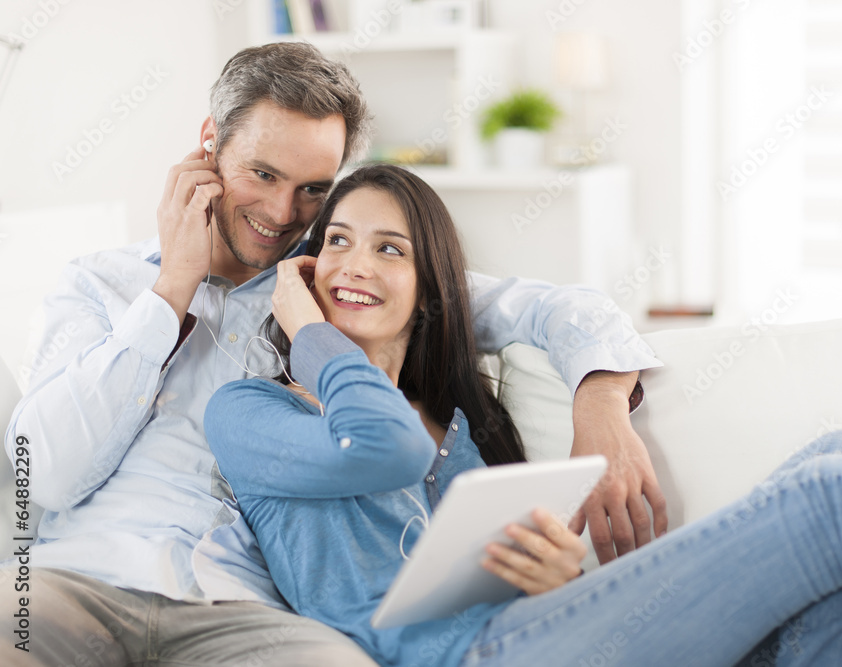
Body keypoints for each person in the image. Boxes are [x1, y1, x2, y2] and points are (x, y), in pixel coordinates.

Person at [1, 43, 664, 665]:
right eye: (262, 174)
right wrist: (172, 286)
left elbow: (560, 308)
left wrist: (603, 401)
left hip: (237, 609)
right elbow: (47, 473)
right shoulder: (99, 283)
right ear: (209, 146)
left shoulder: (336, 285)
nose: (283, 213)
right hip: (72, 584)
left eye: (313, 188)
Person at [206, 163, 842, 667]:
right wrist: (305, 328)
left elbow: (482, 579)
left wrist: (548, 579)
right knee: (827, 499)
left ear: (431, 290)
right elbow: (376, 442)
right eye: (337, 241)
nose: (354, 263)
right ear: (305, 271)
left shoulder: (453, 422)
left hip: (529, 639)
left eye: (391, 249)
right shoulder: (250, 411)